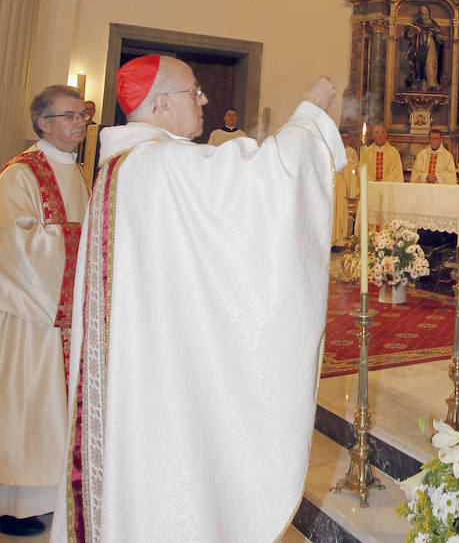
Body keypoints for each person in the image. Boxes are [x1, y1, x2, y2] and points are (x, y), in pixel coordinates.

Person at [51, 55, 344, 543]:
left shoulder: (128, 165)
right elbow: (264, 187)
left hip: (139, 368)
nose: (204, 101)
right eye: (195, 92)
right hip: (155, 381)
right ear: (163, 102)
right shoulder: (160, 164)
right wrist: (309, 115)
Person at [0, 86, 89, 537]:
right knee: (29, 407)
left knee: (57, 408)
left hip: (65, 315)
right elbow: (14, 246)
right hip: (32, 318)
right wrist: (84, 244)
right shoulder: (18, 175)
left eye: (83, 115)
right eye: (71, 115)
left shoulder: (78, 173)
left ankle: (51, 493)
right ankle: (15, 501)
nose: (80, 123)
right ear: (43, 123)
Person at [404, 5, 444, 91]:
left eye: (425, 11)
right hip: (419, 47)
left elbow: (438, 35)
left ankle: (432, 83)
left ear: (428, 12)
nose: (423, 13)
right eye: (421, 11)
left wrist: (440, 37)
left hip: (430, 46)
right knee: (419, 65)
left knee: (430, 64)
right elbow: (409, 37)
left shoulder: (433, 24)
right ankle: (421, 83)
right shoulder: (417, 23)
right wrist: (411, 32)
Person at [333, 129, 359, 245]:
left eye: (346, 138)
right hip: (332, 184)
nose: (344, 140)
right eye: (342, 137)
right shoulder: (332, 149)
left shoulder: (352, 152)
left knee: (342, 213)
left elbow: (355, 170)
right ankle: (330, 241)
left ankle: (340, 242)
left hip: (343, 184)